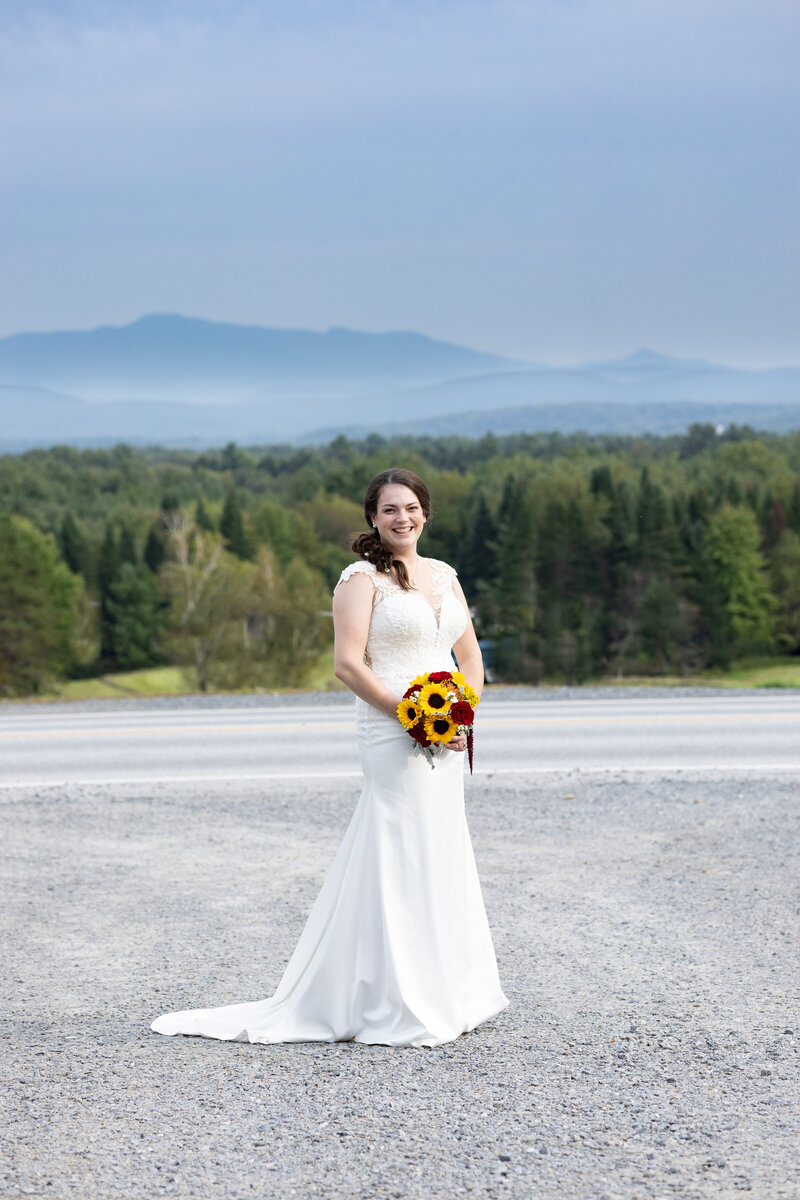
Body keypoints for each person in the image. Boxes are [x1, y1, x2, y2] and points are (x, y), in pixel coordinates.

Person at [151, 468, 508, 1047]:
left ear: (426, 513)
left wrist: (460, 713)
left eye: (411, 507)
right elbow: (348, 665)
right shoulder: (359, 580)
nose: (402, 519)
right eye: (390, 509)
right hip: (392, 729)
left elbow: (469, 658)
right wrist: (413, 715)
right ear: (373, 517)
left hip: (444, 731)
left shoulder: (445, 577)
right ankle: (391, 998)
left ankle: (450, 989)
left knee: (440, 846)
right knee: (400, 849)